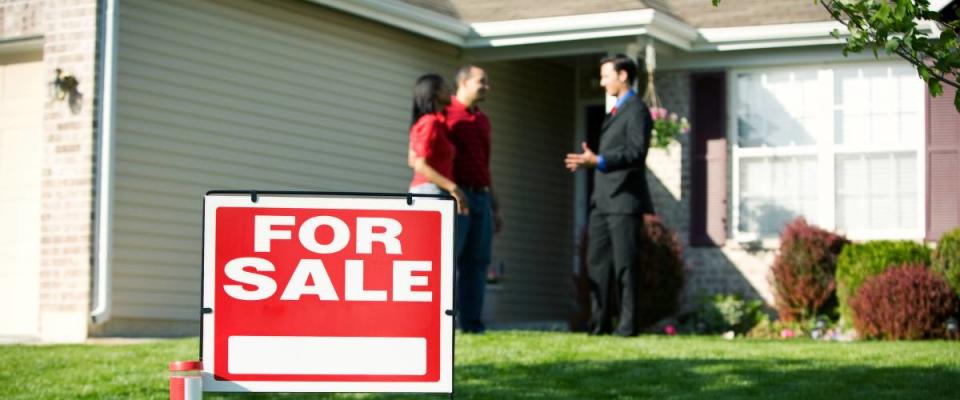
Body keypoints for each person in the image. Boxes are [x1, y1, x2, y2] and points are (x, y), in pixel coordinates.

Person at [564, 54, 654, 337]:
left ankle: (628, 326)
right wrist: (590, 161)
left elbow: (636, 153)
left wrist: (599, 161)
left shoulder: (638, 110)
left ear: (623, 75)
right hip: (602, 202)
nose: (602, 82)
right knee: (597, 264)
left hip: (625, 201)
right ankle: (599, 324)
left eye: (606, 76)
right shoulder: (614, 111)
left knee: (626, 265)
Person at [445, 65, 501, 333]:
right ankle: (446, 323)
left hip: (482, 197)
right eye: (482, 81)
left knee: (478, 263)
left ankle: (472, 324)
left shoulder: (482, 120)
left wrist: (495, 204)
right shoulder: (446, 114)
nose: (486, 87)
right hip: (457, 197)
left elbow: (485, 165)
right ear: (464, 82)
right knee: (450, 260)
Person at [407, 73, 468, 215]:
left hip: (434, 191)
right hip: (429, 192)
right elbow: (419, 164)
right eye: (445, 87)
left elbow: (411, 159)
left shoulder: (434, 122)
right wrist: (453, 188)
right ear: (436, 92)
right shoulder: (430, 122)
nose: (450, 91)